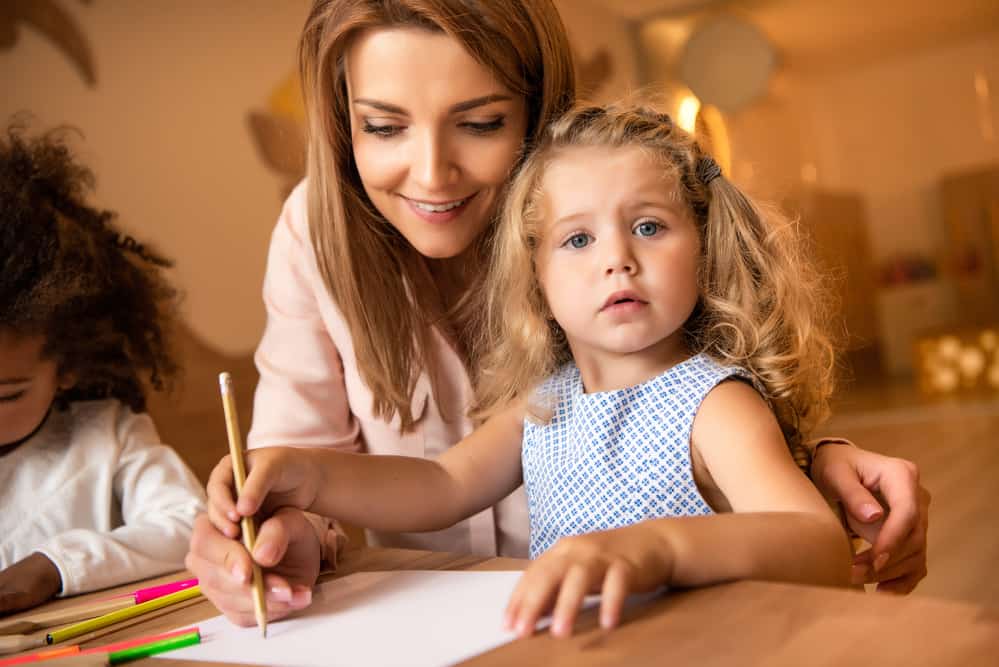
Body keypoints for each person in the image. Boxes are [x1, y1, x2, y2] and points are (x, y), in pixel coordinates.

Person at [187, 0, 929, 627]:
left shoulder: (708, 402)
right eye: (384, 126)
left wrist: (665, 544)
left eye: (479, 123)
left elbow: (814, 544)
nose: (431, 172)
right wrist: (302, 480)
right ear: (531, 273)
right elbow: (441, 487)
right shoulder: (548, 402)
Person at [0, 124, 206, 613]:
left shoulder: (109, 436)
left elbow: (189, 524)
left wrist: (53, 565)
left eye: (6, 394)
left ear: (69, 363)